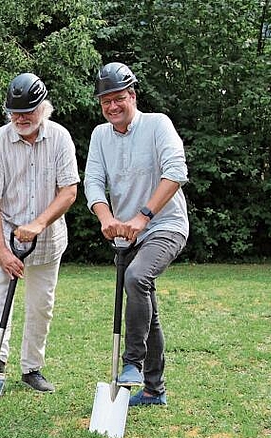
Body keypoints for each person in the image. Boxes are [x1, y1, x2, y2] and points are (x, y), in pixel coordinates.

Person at [84, 62, 189, 406]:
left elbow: (175, 172)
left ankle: (132, 363)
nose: (112, 107)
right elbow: (94, 182)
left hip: (166, 225)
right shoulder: (100, 136)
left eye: (118, 99)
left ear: (132, 95)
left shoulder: (158, 125)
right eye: (105, 102)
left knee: (136, 277)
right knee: (148, 309)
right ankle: (154, 390)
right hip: (127, 233)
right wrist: (105, 218)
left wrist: (143, 216)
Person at [0, 72, 79, 393]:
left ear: (43, 108)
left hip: (47, 238)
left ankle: (32, 367)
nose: (20, 118)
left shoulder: (60, 138)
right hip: (4, 233)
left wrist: (39, 224)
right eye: (15, 113)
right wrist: (2, 250)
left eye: (27, 112)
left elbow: (69, 191)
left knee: (41, 304)